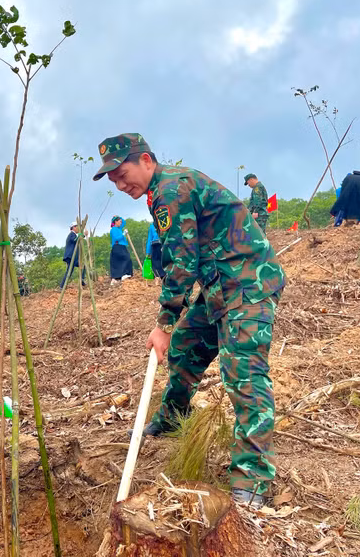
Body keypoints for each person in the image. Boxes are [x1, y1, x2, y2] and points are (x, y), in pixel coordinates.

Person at [93, 132, 286, 508]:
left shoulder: (170, 190)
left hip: (247, 282)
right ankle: (173, 415)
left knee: (242, 372)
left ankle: (253, 479)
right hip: (219, 286)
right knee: (185, 347)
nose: (120, 183)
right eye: (113, 179)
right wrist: (172, 329)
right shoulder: (162, 191)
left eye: (122, 172)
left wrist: (163, 323)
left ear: (146, 160)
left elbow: (182, 261)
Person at [60, 222, 86, 288]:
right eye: (77, 227)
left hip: (74, 257)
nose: (78, 229)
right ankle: (62, 286)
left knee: (83, 265)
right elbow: (75, 240)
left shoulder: (74, 235)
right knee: (69, 272)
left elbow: (78, 239)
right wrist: (80, 235)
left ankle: (82, 280)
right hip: (71, 256)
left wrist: (82, 235)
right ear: (74, 227)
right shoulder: (71, 234)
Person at [109, 216, 133, 284]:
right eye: (119, 221)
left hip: (122, 246)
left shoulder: (119, 228)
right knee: (125, 258)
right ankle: (123, 274)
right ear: (115, 222)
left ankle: (119, 277)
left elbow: (124, 222)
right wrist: (123, 234)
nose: (121, 222)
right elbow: (116, 238)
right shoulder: (113, 229)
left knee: (124, 259)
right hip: (117, 246)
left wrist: (118, 216)